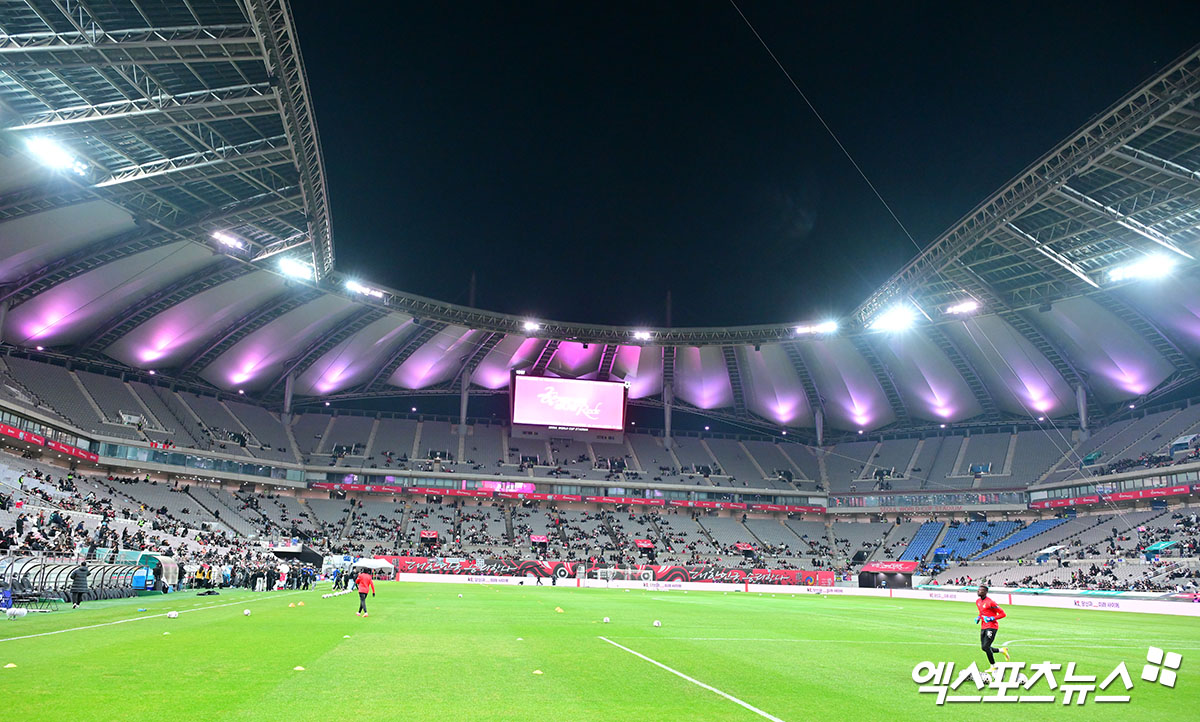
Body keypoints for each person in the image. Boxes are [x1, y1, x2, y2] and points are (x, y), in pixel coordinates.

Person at [975, 585, 1009, 674]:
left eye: (981, 590)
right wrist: (979, 617)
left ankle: (993, 666)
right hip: (983, 626)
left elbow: (1003, 614)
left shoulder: (991, 602)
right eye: (978, 590)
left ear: (986, 592)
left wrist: (991, 618)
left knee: (986, 646)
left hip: (992, 626)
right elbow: (982, 612)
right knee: (984, 647)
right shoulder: (978, 601)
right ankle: (1002, 650)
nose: (979, 591)